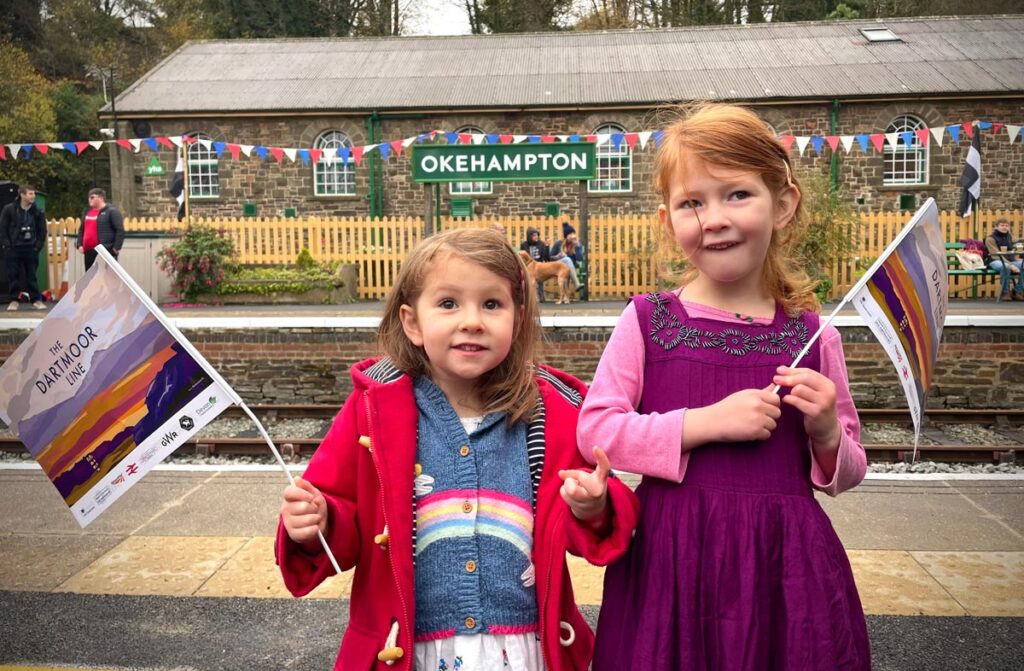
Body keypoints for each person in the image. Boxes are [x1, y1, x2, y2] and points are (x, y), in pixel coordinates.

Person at [578, 104, 870, 670]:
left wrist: (828, 430)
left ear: (783, 204)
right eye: (692, 202)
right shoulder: (646, 321)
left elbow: (850, 472)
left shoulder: (812, 336)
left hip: (783, 570)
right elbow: (597, 431)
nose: (713, 218)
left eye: (736, 194)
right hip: (670, 562)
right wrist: (704, 422)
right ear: (669, 221)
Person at [276, 228, 640, 671]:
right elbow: (342, 520)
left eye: (492, 304)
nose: (472, 320)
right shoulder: (371, 408)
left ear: (518, 318)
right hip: (408, 650)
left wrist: (593, 507)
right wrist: (317, 521)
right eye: (449, 303)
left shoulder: (552, 411)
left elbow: (606, 517)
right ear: (412, 322)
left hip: (527, 649)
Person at [0, 184, 48, 310]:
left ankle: (36, 300)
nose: (33, 196)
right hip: (14, 247)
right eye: (30, 194)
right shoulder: (9, 209)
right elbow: (3, 228)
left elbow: (42, 231)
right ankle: (14, 300)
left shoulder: (38, 211)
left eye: (33, 193)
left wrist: (37, 246)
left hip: (30, 248)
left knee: (31, 276)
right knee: (12, 275)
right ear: (22, 195)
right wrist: (6, 245)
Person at [76, 188, 124, 271]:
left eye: (92, 197)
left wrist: (115, 249)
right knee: (90, 278)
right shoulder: (87, 212)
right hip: (88, 252)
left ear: (101, 198)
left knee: (106, 279)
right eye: (89, 197)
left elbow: (120, 231)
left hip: (105, 251)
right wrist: (79, 244)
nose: (89, 200)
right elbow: (82, 230)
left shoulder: (112, 212)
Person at [984, 218, 1023, 301]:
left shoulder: (1010, 237)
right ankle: (1005, 293)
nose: (1004, 227)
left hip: (1011, 261)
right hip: (995, 261)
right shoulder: (990, 239)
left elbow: (1017, 245)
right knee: (1005, 267)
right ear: (996, 227)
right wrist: (1011, 265)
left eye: (1006, 225)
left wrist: (1017, 258)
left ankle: (1016, 292)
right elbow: (996, 256)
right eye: (1002, 225)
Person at [550, 222, 584, 290]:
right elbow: (550, 257)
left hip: (569, 268)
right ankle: (576, 283)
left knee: (567, 265)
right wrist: (559, 256)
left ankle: (566, 297)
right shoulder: (558, 243)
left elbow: (580, 259)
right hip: (558, 266)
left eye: (573, 233)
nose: (572, 236)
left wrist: (577, 247)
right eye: (570, 234)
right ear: (566, 235)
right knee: (567, 259)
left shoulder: (576, 245)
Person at [519, 227, 551, 302]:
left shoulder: (541, 243)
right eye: (534, 235)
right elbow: (522, 257)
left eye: (537, 235)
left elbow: (546, 258)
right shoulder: (524, 245)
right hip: (528, 265)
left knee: (539, 273)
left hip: (538, 265)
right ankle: (529, 297)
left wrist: (547, 247)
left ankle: (541, 296)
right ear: (529, 236)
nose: (536, 237)